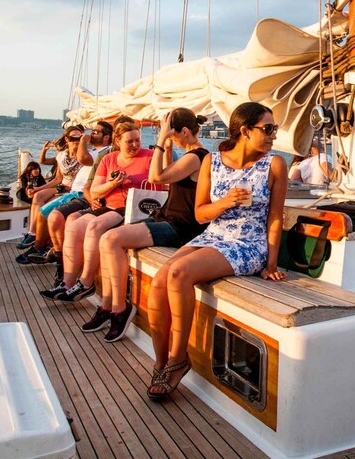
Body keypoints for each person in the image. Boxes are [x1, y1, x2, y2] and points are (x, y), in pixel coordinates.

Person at [146, 102, 288, 400]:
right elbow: (200, 214)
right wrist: (226, 202)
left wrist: (271, 263)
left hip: (248, 244)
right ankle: (161, 362)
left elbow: (275, 217)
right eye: (268, 128)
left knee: (180, 273)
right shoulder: (212, 160)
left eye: (274, 128)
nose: (274, 135)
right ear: (245, 131)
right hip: (213, 235)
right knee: (160, 281)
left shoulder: (274, 165)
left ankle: (177, 359)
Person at [82, 108, 210, 343]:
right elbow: (161, 175)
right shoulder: (191, 156)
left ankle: (120, 309)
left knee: (111, 239)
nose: (170, 139)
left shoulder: (197, 157)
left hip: (180, 226)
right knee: (108, 239)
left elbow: (155, 178)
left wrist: (160, 140)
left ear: (183, 131)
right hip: (167, 218)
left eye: (172, 135)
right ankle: (108, 305)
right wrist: (166, 144)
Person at [48, 121, 152, 302]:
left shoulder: (150, 157)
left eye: (137, 140)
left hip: (132, 208)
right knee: (73, 226)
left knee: (95, 226)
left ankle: (86, 283)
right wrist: (113, 184)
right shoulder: (108, 159)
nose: (135, 145)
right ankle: (67, 282)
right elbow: (95, 191)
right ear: (118, 141)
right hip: (109, 206)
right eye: (130, 142)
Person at [17, 126, 84, 249]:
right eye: (72, 138)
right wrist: (38, 188)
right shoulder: (61, 156)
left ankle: (43, 241)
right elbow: (58, 178)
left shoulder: (85, 156)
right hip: (62, 185)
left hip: (74, 189)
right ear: (66, 139)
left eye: (79, 137)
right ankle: (32, 233)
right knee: (38, 195)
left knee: (47, 203)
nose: (76, 140)